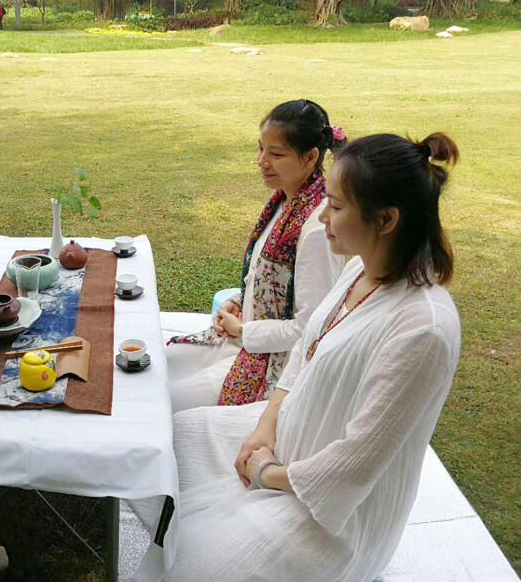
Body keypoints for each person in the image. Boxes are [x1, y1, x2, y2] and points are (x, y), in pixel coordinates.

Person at [164, 132, 461, 581]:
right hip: (286, 438)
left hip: (331, 510)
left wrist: (267, 473)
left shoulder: (424, 331)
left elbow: (356, 463)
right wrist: (264, 426)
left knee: (201, 565)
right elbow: (306, 349)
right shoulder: (362, 267)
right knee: (176, 440)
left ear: (386, 220)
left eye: (337, 206)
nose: (321, 215)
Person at [166, 99, 346, 412]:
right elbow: (270, 285)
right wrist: (239, 299)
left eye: (276, 154)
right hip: (242, 340)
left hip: (273, 365)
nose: (262, 161)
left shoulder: (317, 227)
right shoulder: (283, 204)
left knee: (161, 402)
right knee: (150, 366)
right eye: (260, 148)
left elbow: (310, 327)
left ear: (311, 157)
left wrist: (245, 331)